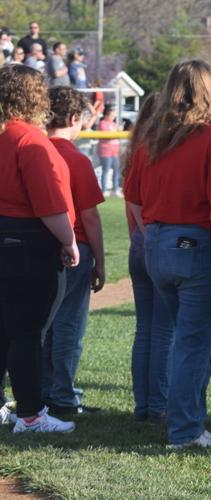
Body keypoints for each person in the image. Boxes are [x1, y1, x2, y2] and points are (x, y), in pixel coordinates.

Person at [124, 60, 211, 450]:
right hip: (198, 246)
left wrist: (155, 235)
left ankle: (187, 419)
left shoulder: (152, 140)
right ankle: (186, 429)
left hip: (157, 244)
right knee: (193, 343)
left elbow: (134, 198)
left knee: (184, 339)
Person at [0, 64, 79, 433]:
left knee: (6, 329)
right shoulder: (29, 140)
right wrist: (68, 240)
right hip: (28, 241)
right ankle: (30, 414)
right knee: (27, 332)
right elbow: (49, 204)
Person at [41, 86, 106, 415]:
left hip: (38, 246)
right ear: (74, 118)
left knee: (43, 324)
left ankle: (41, 392)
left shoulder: (33, 151)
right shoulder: (76, 159)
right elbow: (90, 217)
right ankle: (63, 395)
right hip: (74, 247)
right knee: (68, 326)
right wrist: (100, 262)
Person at [121, 93, 175, 423]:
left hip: (140, 244)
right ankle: (158, 404)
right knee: (164, 330)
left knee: (146, 330)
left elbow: (132, 201)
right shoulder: (163, 149)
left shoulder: (137, 149)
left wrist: (141, 235)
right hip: (158, 239)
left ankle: (144, 404)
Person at [98, 107, 122, 197]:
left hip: (115, 151)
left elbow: (117, 136)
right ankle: (104, 190)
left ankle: (115, 189)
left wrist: (118, 132)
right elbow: (108, 135)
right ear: (106, 115)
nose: (113, 117)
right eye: (112, 115)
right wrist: (117, 132)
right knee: (106, 170)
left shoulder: (114, 124)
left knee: (116, 171)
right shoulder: (102, 123)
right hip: (106, 151)